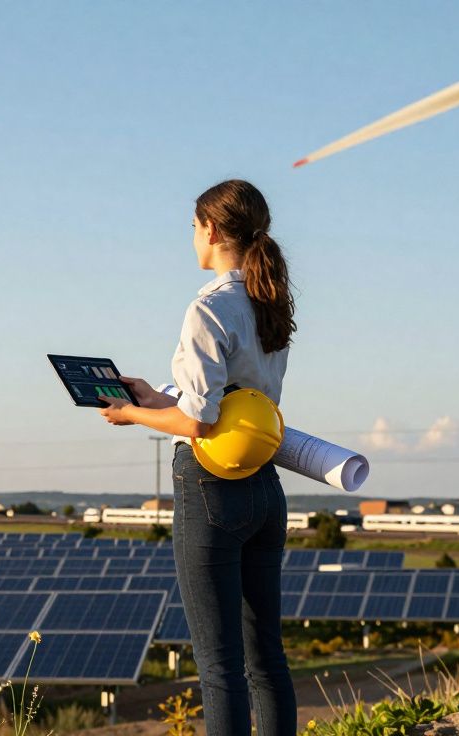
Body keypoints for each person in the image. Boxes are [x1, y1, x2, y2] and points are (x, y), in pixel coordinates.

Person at [95, 179, 298, 735]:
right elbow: (230, 405)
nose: (191, 237)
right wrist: (155, 396)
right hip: (264, 485)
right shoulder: (268, 302)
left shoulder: (207, 308)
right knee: (266, 659)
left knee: (219, 666)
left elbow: (200, 423)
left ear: (209, 229)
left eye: (192, 227)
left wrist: (130, 414)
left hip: (210, 487)